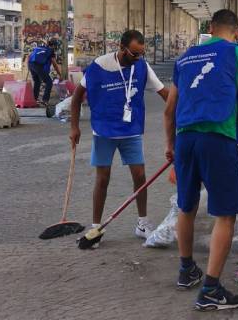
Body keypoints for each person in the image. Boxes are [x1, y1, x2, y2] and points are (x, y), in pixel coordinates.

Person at [164, 9, 238, 311]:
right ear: (236, 31)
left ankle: (186, 269)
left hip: (185, 139)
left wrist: (171, 148)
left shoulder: (185, 58)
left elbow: (169, 110)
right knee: (225, 215)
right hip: (218, 139)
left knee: (186, 206)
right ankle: (211, 290)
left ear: (210, 28)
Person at [70, 30, 169, 247]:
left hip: (131, 130)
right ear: (121, 48)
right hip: (104, 131)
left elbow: (165, 94)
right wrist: (74, 127)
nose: (137, 58)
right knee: (103, 178)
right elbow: (77, 97)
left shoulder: (141, 66)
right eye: (134, 53)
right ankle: (96, 227)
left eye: (141, 54)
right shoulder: (99, 65)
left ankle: (142, 223)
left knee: (140, 175)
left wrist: (188, 111)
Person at [27, 39, 63, 106]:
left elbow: (29, 56)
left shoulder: (39, 47)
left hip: (30, 64)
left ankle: (34, 100)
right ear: (54, 46)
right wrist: (59, 74)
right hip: (37, 66)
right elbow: (54, 64)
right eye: (55, 46)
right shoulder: (50, 51)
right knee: (49, 82)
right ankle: (45, 100)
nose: (55, 48)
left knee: (37, 81)